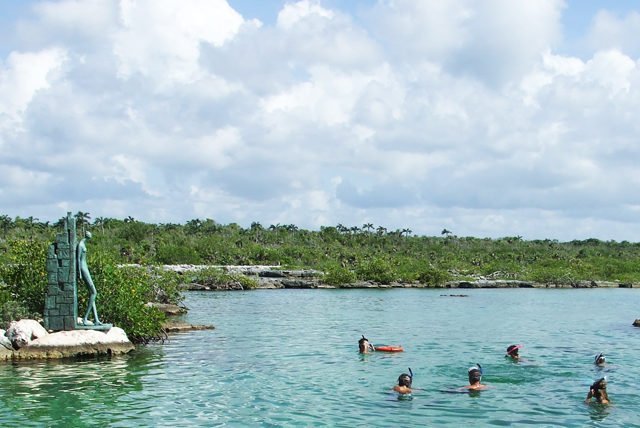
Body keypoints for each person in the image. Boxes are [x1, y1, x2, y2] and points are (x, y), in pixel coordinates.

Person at [77, 231, 102, 325]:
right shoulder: (80, 245)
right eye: (90, 234)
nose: (91, 235)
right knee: (94, 292)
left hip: (86, 268)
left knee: (92, 293)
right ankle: (85, 318)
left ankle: (96, 319)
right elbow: (78, 260)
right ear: (87, 235)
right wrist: (79, 273)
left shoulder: (83, 244)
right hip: (83, 269)